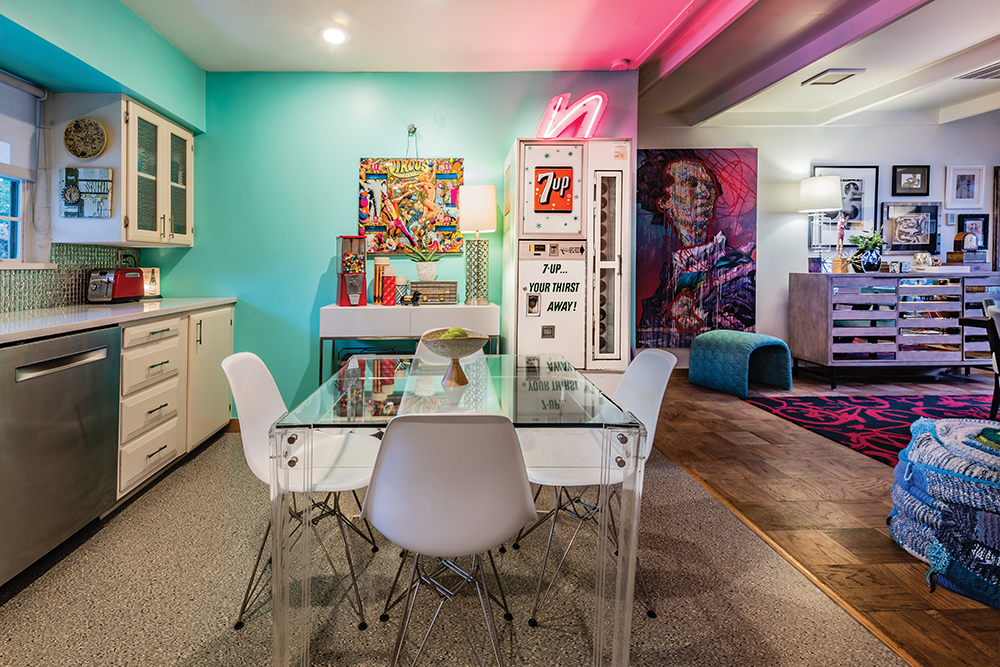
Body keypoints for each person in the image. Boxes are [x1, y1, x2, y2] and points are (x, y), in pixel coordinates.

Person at [637, 150, 755, 347]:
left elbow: (736, 334)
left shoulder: (738, 268)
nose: (706, 194)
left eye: (709, 185)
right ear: (665, 202)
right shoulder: (667, 281)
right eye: (691, 183)